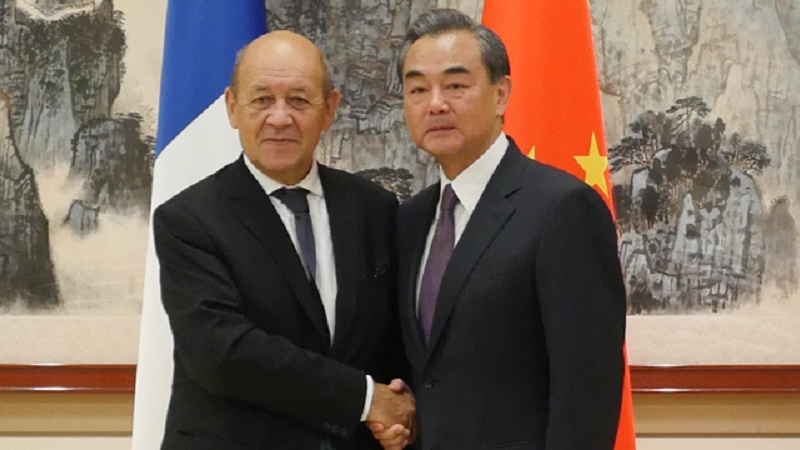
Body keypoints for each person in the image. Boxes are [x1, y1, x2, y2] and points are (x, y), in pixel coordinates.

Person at [371, 9, 627, 450]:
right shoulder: (410, 219)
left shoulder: (562, 209)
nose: (436, 104)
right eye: (418, 89)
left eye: (456, 85)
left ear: (501, 94)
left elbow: (586, 395)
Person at [153, 30, 414, 450]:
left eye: (298, 100)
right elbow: (223, 354)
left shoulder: (374, 209)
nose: (279, 118)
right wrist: (366, 400)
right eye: (262, 100)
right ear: (232, 108)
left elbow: (391, 339)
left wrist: (401, 410)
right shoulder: (189, 219)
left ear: (329, 109)